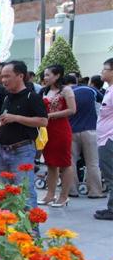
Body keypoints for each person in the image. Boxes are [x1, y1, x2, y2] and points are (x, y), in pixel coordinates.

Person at [0, 61, 48, 210]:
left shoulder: (31, 97)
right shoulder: (6, 97)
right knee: (5, 193)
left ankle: (32, 231)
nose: (3, 80)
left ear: (20, 76)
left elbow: (43, 121)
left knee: (25, 193)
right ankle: (11, 229)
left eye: (7, 76)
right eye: (2, 76)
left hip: (22, 151)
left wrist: (16, 118)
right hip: (3, 150)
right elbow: (4, 121)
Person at [38, 65, 76, 207]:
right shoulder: (44, 91)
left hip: (61, 130)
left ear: (57, 75)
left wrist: (49, 115)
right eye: (45, 75)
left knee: (65, 163)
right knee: (50, 163)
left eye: (48, 75)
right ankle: (50, 195)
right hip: (46, 130)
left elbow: (72, 110)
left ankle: (64, 196)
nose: (45, 78)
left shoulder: (66, 90)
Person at [66, 74, 104, 198]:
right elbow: (102, 102)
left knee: (71, 162)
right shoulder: (91, 90)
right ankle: (95, 191)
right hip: (90, 130)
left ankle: (71, 190)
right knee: (92, 163)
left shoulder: (65, 93)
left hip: (71, 131)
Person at [95, 57, 113, 221]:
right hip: (104, 138)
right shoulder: (110, 89)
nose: (102, 72)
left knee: (111, 174)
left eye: (105, 69)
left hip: (109, 139)